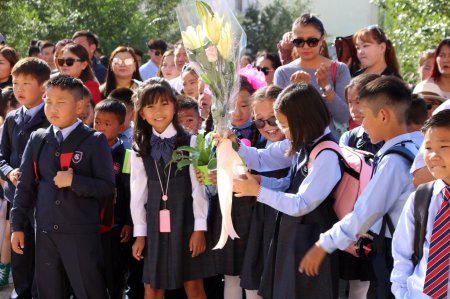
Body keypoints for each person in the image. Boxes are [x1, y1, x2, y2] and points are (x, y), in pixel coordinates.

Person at [299, 76, 418, 299]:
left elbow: (365, 212)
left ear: (383, 115)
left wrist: (324, 244)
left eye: (364, 115)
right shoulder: (417, 145)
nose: (361, 124)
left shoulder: (394, 161)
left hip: (395, 253)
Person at [232, 83, 341, 298]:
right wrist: (231, 143)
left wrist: (259, 192)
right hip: (294, 239)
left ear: (304, 120)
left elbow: (301, 204)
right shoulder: (303, 143)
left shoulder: (326, 154)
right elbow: (279, 175)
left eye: (283, 124)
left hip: (310, 244)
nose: (280, 131)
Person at [10, 75, 113, 298]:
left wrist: (75, 181)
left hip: (81, 233)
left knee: (89, 290)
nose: (52, 108)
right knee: (48, 292)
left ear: (79, 106)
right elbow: (25, 188)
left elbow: (106, 187)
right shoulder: (38, 139)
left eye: (61, 102)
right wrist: (17, 226)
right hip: (45, 232)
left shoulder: (94, 140)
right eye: (48, 101)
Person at [130, 77, 214, 299]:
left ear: (175, 106)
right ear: (142, 114)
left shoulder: (193, 141)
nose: (158, 111)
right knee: (153, 286)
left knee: (193, 284)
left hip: (186, 216)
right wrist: (140, 233)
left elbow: (198, 188)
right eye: (150, 106)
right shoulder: (139, 146)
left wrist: (199, 228)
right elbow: (138, 191)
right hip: (155, 221)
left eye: (164, 104)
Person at [0, 57, 51, 299]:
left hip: (43, 200)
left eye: (26, 83)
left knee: (42, 255)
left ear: (43, 87)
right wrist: (9, 171)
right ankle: (21, 293)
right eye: (15, 83)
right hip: (16, 198)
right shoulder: (11, 118)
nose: (19, 89)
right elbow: (1, 155)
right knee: (19, 251)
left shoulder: (51, 118)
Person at [391, 110, 450, 298]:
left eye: (443, 146)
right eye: (428, 147)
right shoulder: (422, 197)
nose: (433, 155)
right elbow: (402, 255)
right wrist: (402, 294)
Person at [238, 85, 289, 299]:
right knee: (254, 284)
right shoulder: (261, 142)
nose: (268, 126)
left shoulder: (295, 144)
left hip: (288, 222)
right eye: (260, 121)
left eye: (274, 119)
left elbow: (285, 182)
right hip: (262, 219)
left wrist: (257, 183)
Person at [274, 13, 351, 138]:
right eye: (299, 41)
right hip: (296, 146)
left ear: (322, 40)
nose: (305, 46)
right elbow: (279, 119)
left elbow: (343, 117)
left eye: (312, 41)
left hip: (329, 145)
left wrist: (326, 86)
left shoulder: (339, 69)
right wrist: (295, 91)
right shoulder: (282, 72)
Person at [94, 99, 134, 299]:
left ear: (121, 127)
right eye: (97, 122)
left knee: (115, 269)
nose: (100, 127)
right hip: (90, 222)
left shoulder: (126, 155)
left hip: (116, 224)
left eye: (107, 124)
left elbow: (130, 192)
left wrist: (128, 222)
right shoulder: (87, 151)